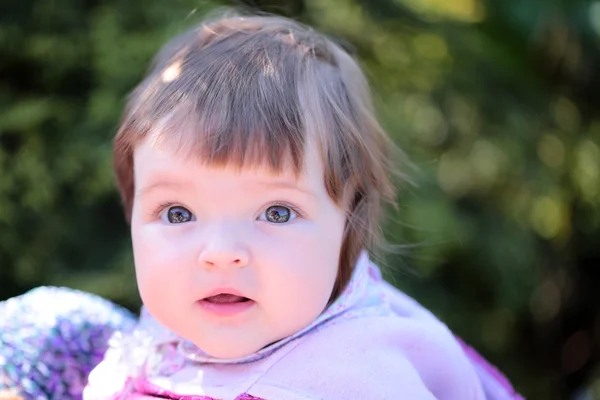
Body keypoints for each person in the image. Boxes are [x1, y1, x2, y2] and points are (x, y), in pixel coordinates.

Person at [1, 10, 524, 400]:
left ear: (348, 223)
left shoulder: (358, 380)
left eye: (276, 212)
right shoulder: (201, 314)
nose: (221, 253)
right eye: (178, 213)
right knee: (38, 325)